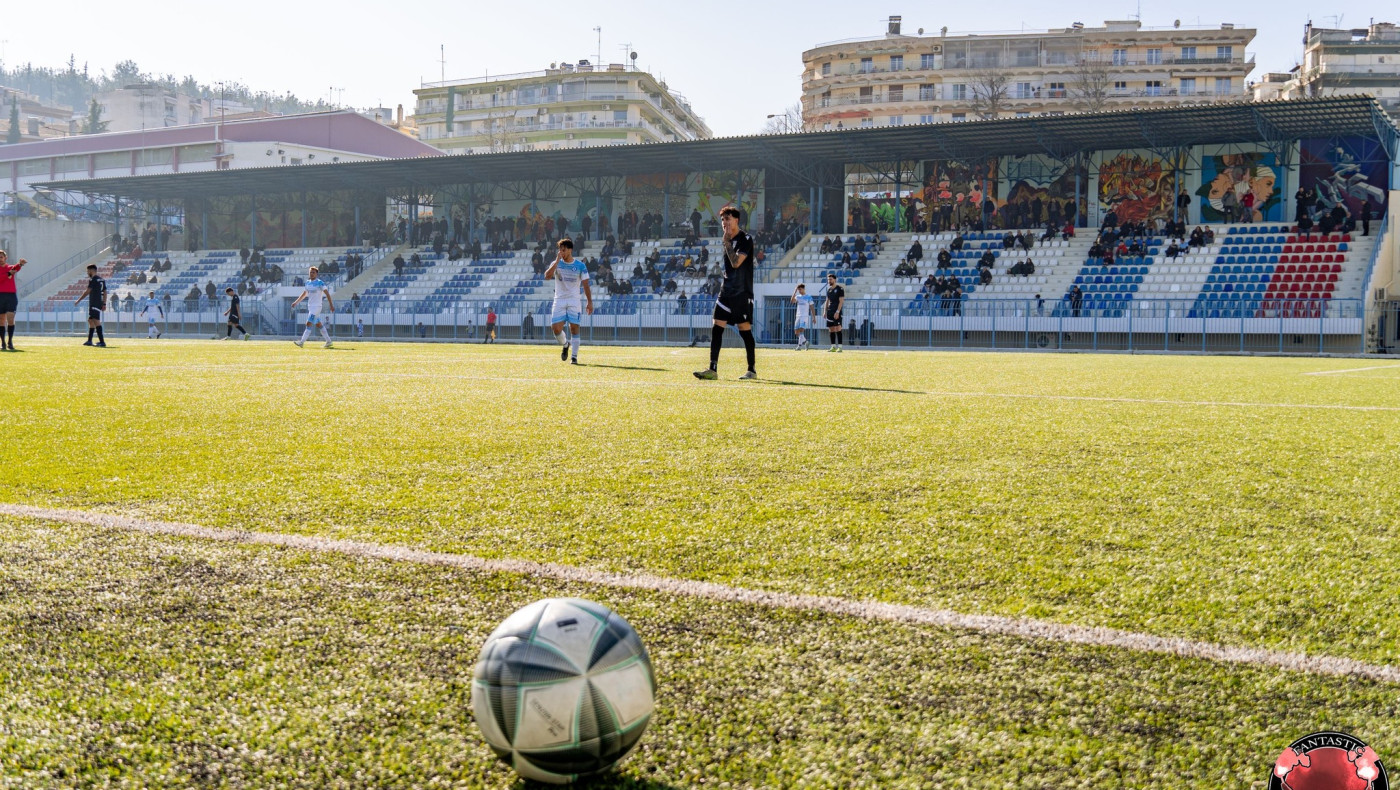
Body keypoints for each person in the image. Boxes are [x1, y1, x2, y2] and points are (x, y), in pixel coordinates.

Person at [694, 206, 757, 380]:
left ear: (736, 220)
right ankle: (712, 369)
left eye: (727, 219)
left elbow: (736, 263)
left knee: (744, 329)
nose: (724, 223)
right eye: (722, 220)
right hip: (726, 290)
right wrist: (727, 242)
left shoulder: (745, 239)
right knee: (717, 327)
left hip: (742, 292)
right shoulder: (727, 240)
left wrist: (727, 242)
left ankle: (751, 369)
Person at [544, 237, 593, 365]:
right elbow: (547, 276)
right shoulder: (556, 263)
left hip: (574, 300)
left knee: (574, 328)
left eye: (564, 250)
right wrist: (556, 262)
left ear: (570, 250)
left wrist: (589, 302)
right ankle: (566, 344)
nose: (561, 252)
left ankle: (574, 357)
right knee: (555, 328)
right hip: (559, 300)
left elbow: (586, 285)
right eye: (560, 250)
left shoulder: (580, 266)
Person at [289, 266, 335, 348]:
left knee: (308, 323)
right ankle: (329, 341)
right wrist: (296, 302)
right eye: (310, 272)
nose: (311, 274)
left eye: (313, 272)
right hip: (311, 307)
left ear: (317, 274)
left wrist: (331, 305)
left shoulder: (320, 283)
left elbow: (327, 294)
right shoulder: (307, 283)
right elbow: (304, 294)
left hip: (317, 307)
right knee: (319, 324)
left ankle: (301, 342)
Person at [74, 263, 108, 347]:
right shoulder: (101, 280)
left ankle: (102, 342)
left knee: (96, 321)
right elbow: (105, 292)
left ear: (92, 270)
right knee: (90, 320)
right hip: (98, 302)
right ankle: (89, 340)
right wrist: (104, 303)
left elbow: (87, 291)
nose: (87, 272)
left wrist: (79, 300)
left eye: (88, 271)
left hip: (94, 303)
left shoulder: (93, 279)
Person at [0, 250, 26, 351]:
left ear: (5, 258)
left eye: (1, 257)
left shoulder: (10, 268)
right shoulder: (8, 271)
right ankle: (3, 342)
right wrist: (8, 274)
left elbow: (16, 267)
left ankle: (10, 341)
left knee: (10, 318)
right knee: (1, 320)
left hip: (11, 296)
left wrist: (20, 264)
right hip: (0, 296)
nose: (0, 259)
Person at [823, 272, 846, 352]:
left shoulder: (840, 289)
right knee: (831, 329)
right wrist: (825, 311)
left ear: (835, 280)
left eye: (830, 279)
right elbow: (827, 301)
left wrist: (838, 311)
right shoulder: (829, 290)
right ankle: (833, 347)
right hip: (830, 311)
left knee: (838, 328)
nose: (829, 281)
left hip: (836, 311)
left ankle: (840, 347)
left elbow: (841, 301)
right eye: (828, 280)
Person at [791, 283, 814, 351]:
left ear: (804, 289)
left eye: (800, 289)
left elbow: (812, 307)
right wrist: (794, 292)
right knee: (796, 333)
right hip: (798, 316)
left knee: (801, 330)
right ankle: (806, 342)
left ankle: (799, 346)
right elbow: (792, 301)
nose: (799, 291)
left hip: (804, 316)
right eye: (798, 290)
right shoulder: (798, 296)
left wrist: (814, 317)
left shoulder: (808, 297)